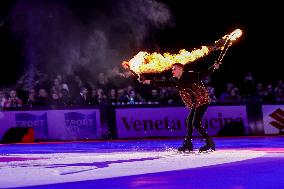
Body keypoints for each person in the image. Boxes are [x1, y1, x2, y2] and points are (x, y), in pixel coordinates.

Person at [142, 61, 221, 152]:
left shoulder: (190, 75)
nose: (172, 71)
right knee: (189, 121)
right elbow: (164, 83)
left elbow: (203, 73)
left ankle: (209, 143)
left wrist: (214, 67)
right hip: (195, 104)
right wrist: (148, 81)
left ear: (180, 69)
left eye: (174, 69)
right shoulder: (174, 80)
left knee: (195, 122)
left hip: (202, 101)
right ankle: (188, 144)